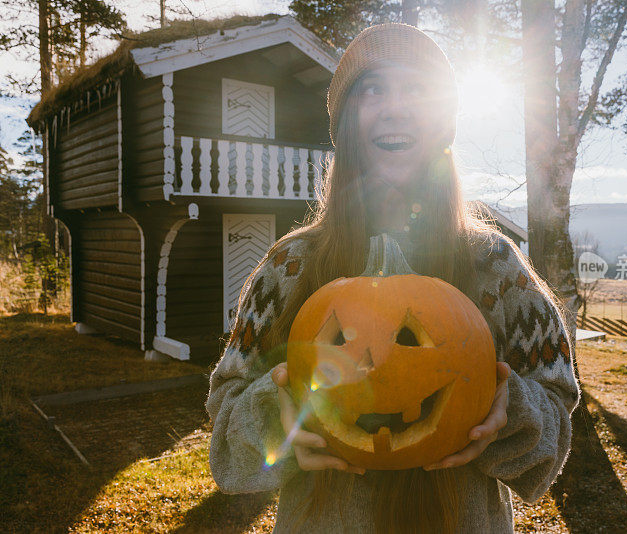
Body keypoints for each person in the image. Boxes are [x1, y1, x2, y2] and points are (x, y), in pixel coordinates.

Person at [206, 22, 581, 534]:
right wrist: (277, 418)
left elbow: (557, 407)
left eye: (417, 89)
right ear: (345, 124)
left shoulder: (494, 264)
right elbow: (226, 416)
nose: (395, 107)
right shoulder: (289, 266)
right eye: (373, 89)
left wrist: (507, 410)